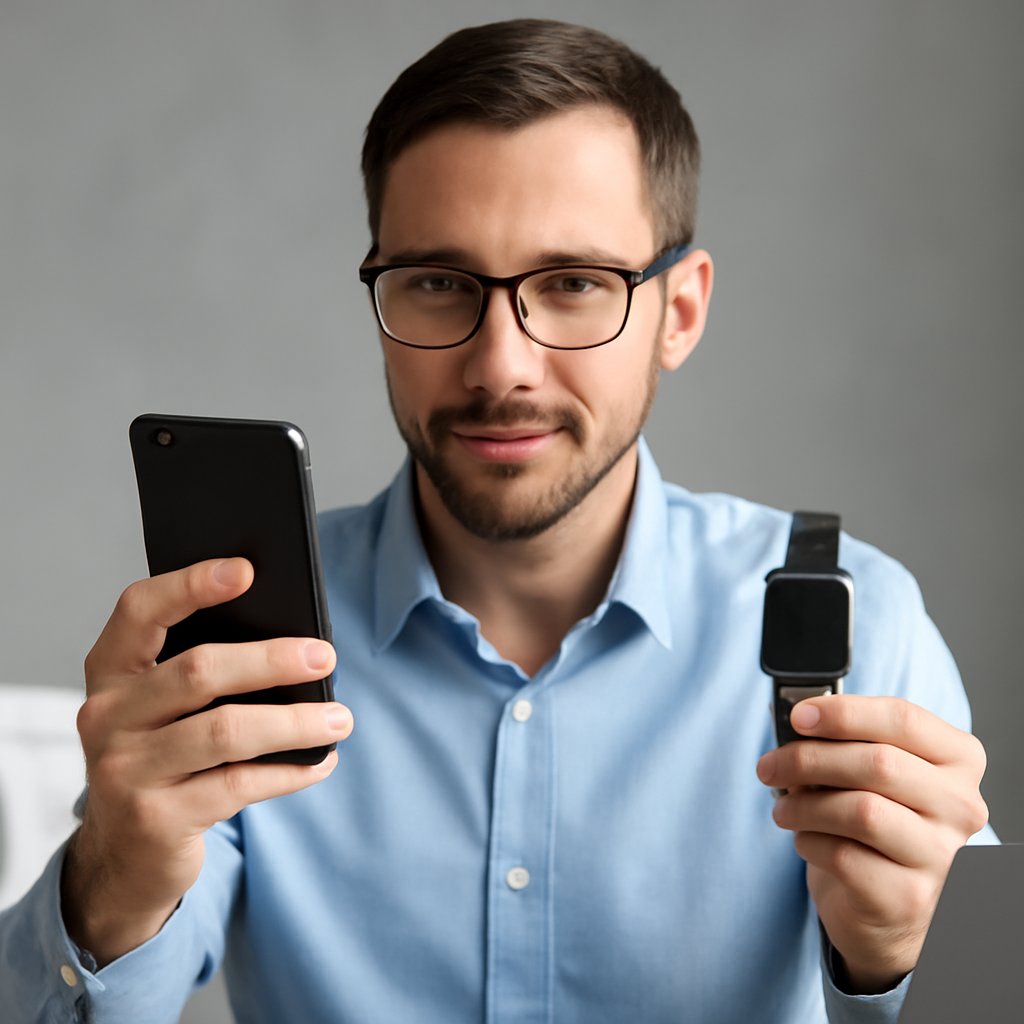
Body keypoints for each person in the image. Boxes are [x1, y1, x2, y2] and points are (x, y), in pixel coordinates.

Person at [0, 18, 993, 1024]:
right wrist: (111, 880)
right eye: (438, 284)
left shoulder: (864, 627)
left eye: (572, 285)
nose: (500, 365)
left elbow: (986, 999)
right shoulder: (248, 641)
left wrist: (908, 956)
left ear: (679, 312)